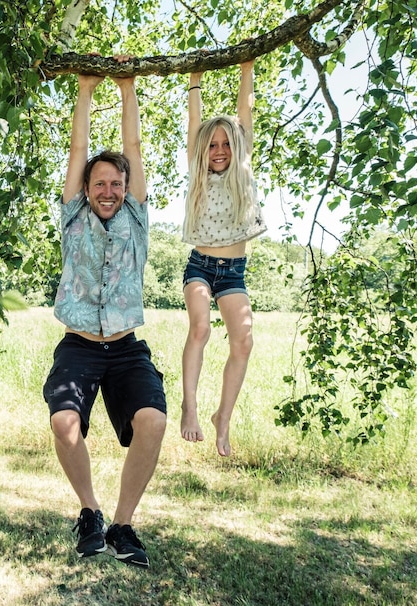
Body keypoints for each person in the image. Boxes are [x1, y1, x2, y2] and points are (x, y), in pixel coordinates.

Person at [42, 57, 168, 569]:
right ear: (88, 188)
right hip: (79, 345)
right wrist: (87, 90)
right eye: (100, 183)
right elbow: (77, 149)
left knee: (153, 421)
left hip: (126, 347)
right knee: (64, 421)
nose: (109, 191)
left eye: (117, 183)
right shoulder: (73, 214)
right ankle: (90, 513)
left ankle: (122, 524)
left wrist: (128, 87)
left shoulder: (136, 217)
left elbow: (133, 149)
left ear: (126, 187)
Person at [179, 60, 264, 457]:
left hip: (233, 272)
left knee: (243, 340)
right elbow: (195, 126)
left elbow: (244, 113)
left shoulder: (243, 170)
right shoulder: (198, 170)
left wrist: (247, 67)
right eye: (212, 144)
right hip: (200, 266)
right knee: (200, 329)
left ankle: (223, 418)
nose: (218, 150)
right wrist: (194, 80)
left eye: (226, 143)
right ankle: (190, 406)